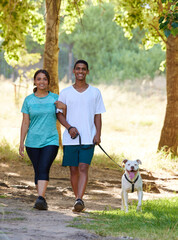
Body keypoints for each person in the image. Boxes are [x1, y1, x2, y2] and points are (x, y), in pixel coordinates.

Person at [55, 60, 106, 212]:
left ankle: (79, 199)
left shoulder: (95, 92)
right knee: (73, 170)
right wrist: (69, 127)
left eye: (84, 69)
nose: (80, 71)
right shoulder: (65, 93)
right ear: (73, 71)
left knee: (83, 167)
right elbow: (59, 115)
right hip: (70, 139)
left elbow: (98, 115)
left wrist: (98, 134)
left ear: (87, 72)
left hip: (88, 137)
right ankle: (77, 197)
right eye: (78, 69)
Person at [19, 69, 66, 210]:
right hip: (32, 142)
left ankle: (40, 198)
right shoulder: (28, 100)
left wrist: (64, 107)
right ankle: (42, 198)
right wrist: (21, 142)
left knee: (44, 167)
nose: (42, 81)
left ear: (48, 81)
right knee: (38, 169)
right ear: (34, 81)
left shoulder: (54, 98)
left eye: (44, 79)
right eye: (38, 79)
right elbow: (25, 122)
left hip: (50, 140)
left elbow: (64, 115)